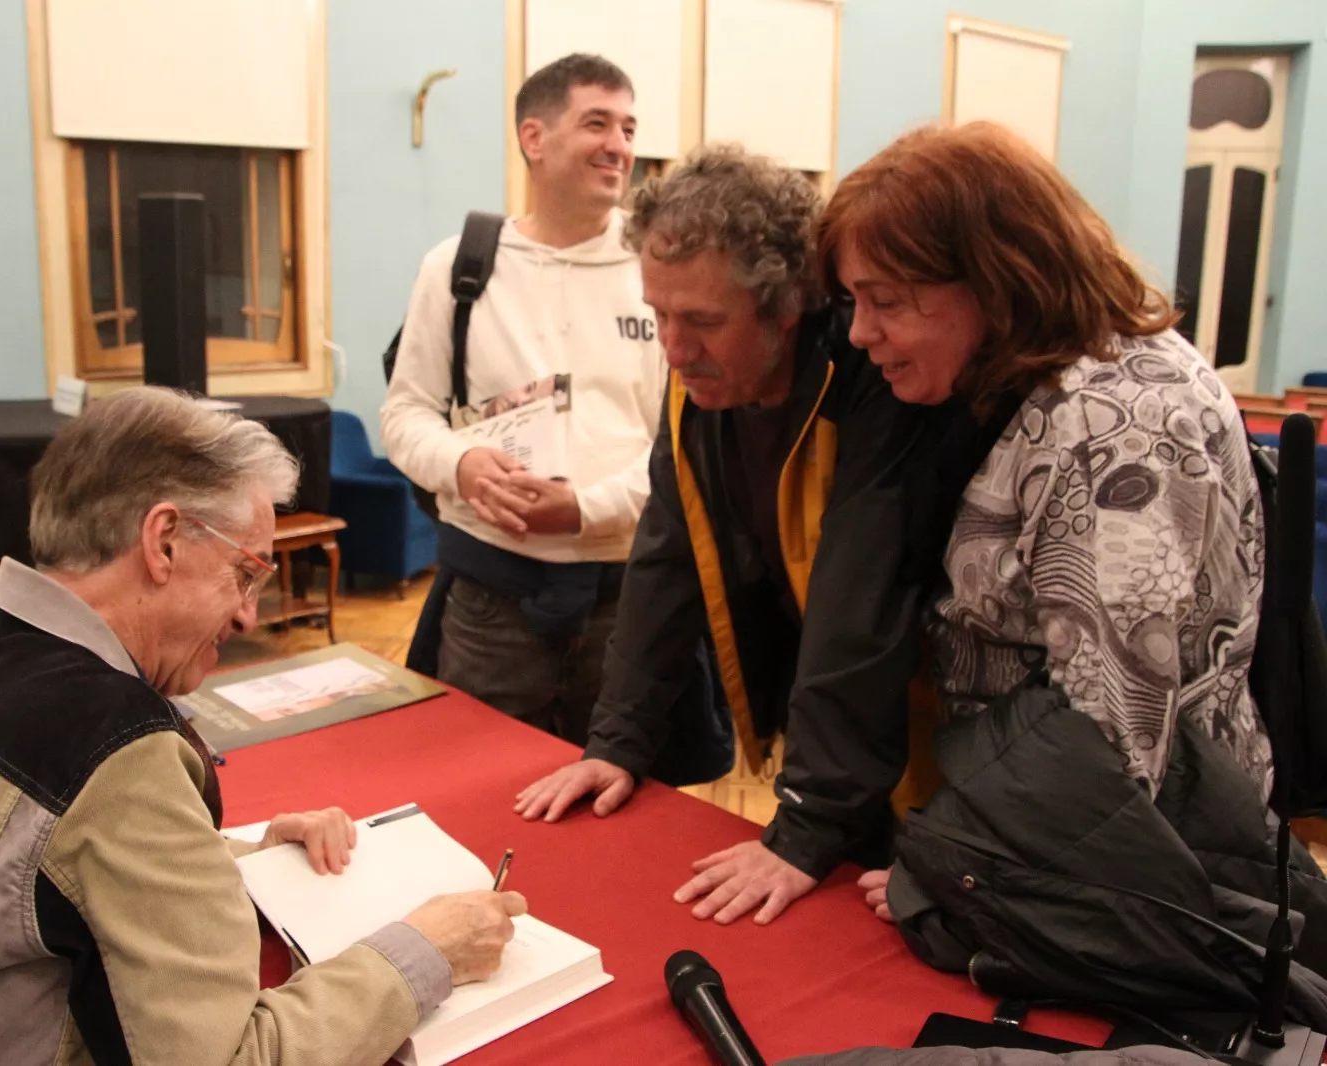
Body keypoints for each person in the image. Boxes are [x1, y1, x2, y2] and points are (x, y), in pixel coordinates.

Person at [0, 388, 527, 1066]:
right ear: (164, 541)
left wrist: (231, 861)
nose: (247, 616)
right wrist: (425, 952)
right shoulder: (111, 745)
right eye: (245, 573)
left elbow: (36, 872)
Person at [813, 122, 1275, 924]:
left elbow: (1113, 737)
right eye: (855, 302)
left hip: (1124, 886)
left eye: (886, 301)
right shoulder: (1056, 381)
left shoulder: (1118, 428)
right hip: (1049, 850)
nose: (859, 334)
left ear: (998, 280)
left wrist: (957, 879)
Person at [515, 145, 932, 926]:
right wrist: (616, 744)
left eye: (703, 321)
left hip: (918, 741)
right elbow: (665, 563)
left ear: (787, 307)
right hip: (833, 735)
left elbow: (860, 606)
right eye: (659, 316)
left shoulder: (872, 379)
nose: (674, 351)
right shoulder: (698, 389)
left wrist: (805, 825)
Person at [381, 54, 673, 748]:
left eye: (629, 128)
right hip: (490, 598)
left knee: (622, 793)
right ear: (533, 138)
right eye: (597, 123)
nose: (620, 146)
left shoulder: (659, 266)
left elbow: (681, 444)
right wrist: (463, 465)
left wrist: (585, 508)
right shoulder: (458, 268)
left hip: (627, 595)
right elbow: (404, 415)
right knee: (484, 782)